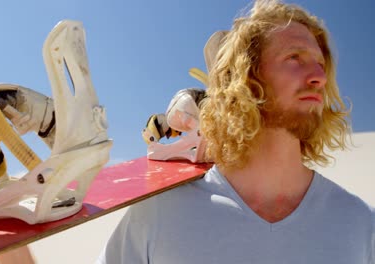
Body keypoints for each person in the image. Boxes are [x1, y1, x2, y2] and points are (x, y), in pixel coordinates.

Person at [97, 0, 375, 263]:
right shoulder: (157, 214)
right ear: (247, 78)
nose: (319, 77)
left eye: (321, 64)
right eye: (294, 57)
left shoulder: (360, 224)